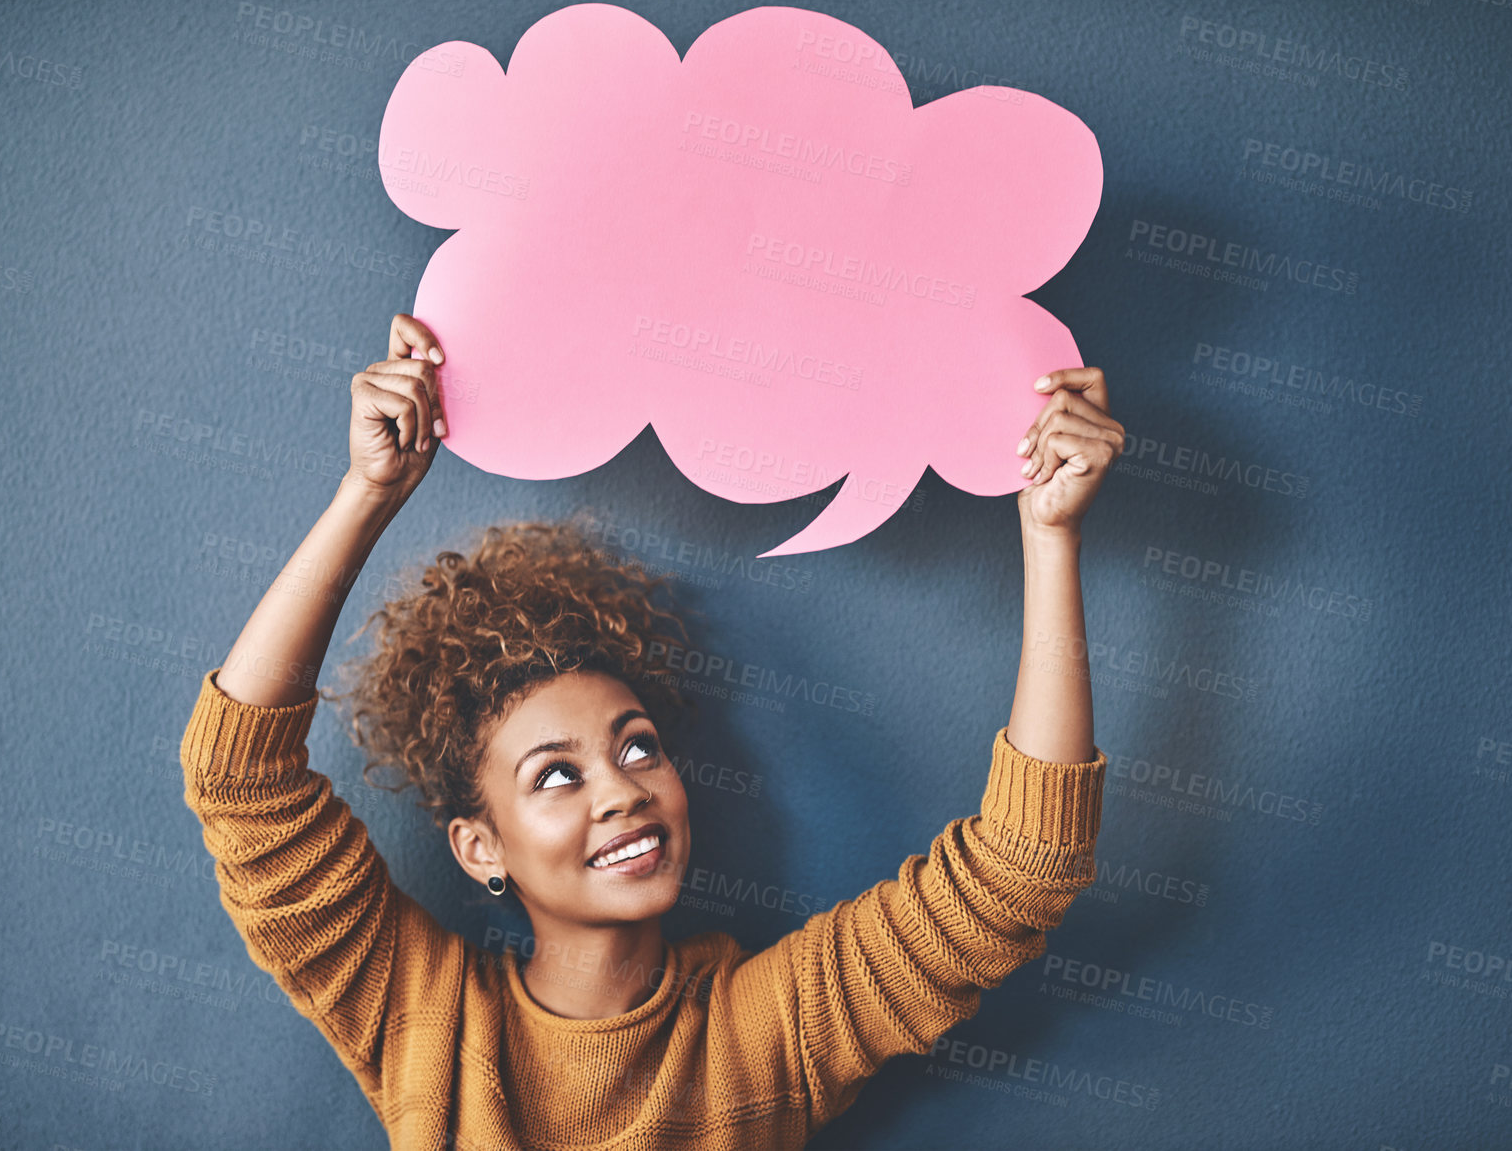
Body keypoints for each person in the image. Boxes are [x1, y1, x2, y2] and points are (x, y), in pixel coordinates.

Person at [179, 313, 1125, 1150]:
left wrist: (1050, 539)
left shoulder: (767, 1033)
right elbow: (239, 778)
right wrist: (368, 491)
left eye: (636, 747)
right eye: (556, 775)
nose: (623, 788)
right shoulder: (422, 1022)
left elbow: (1025, 861)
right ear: (477, 846)